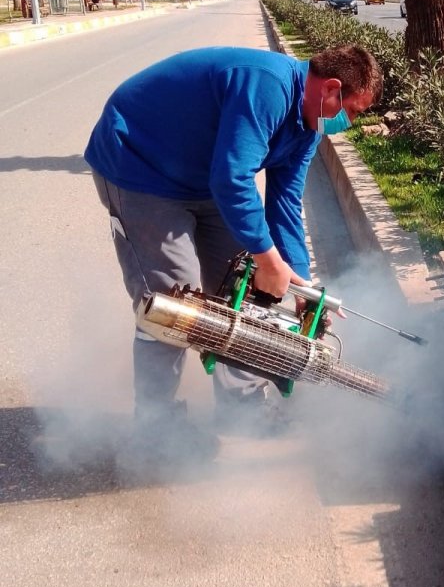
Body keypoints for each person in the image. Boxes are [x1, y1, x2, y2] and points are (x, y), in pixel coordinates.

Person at [85, 43, 382, 453]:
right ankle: (156, 431)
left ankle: (241, 408)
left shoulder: (308, 126)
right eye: (353, 110)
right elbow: (233, 180)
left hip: (204, 177)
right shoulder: (268, 86)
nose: (348, 122)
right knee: (176, 301)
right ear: (331, 88)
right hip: (140, 168)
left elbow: (284, 203)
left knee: (243, 286)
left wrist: (301, 286)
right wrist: (267, 257)